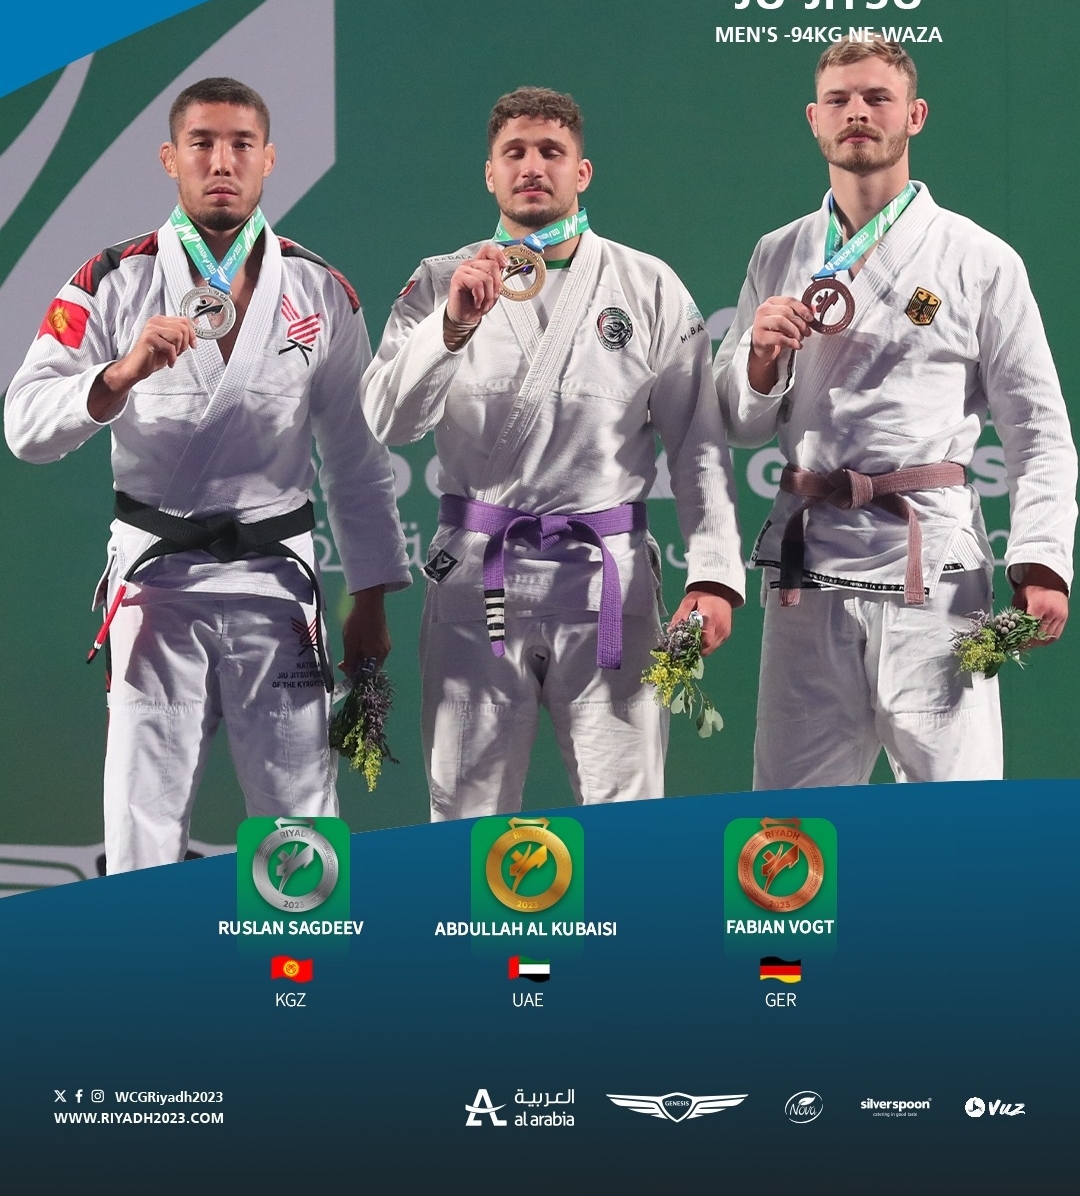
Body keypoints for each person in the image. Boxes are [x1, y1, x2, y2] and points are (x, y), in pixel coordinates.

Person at [4, 77, 410, 871]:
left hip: (276, 585)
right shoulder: (112, 280)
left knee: (300, 815)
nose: (222, 161)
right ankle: (145, 952)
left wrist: (370, 596)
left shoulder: (320, 290)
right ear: (170, 158)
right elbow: (23, 426)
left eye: (240, 144)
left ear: (268, 160)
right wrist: (118, 375)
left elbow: (357, 460)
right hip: (156, 587)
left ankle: (302, 949)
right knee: (141, 817)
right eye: (202, 143)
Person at [362, 86, 744, 821]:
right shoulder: (441, 280)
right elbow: (389, 420)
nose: (532, 166)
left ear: (583, 171)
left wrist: (715, 576)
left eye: (551, 152)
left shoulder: (647, 283)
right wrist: (450, 328)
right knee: (465, 810)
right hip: (479, 572)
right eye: (514, 152)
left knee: (626, 812)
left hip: (608, 579)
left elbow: (698, 442)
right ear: (489, 173)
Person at [714, 37, 1076, 789]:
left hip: (934, 567)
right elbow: (740, 424)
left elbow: (1039, 432)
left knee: (954, 819)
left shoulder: (979, 259)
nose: (858, 112)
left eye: (877, 97)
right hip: (808, 569)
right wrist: (759, 358)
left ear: (914, 116)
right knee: (790, 818)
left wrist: (1041, 559)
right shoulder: (777, 253)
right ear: (815, 119)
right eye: (840, 99)